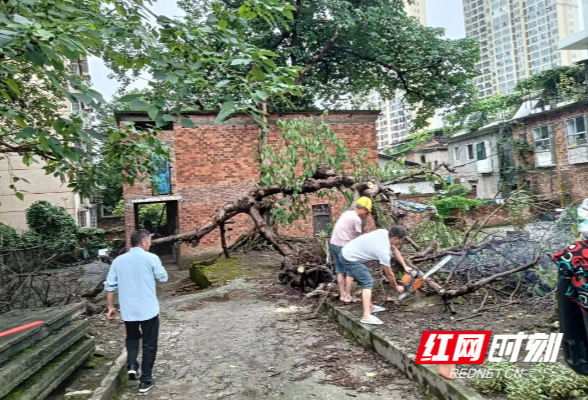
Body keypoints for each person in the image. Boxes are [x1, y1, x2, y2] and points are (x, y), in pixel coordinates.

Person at [104, 229, 168, 393]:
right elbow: (163, 278)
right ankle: (145, 381)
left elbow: (110, 286)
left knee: (132, 337)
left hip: (128, 310)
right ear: (144, 242)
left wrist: (110, 307)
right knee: (149, 344)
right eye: (149, 242)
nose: (150, 245)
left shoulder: (118, 261)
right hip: (148, 309)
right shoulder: (151, 258)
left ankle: (132, 364)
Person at [341, 226, 412, 325]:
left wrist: (405, 266)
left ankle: (370, 307)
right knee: (368, 282)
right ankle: (366, 316)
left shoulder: (384, 233)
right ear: (395, 238)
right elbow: (389, 274)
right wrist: (396, 287)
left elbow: (394, 249)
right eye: (401, 240)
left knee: (365, 278)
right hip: (349, 258)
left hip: (349, 251)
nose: (401, 243)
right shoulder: (383, 252)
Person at [329, 197, 372, 304]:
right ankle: (348, 296)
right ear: (362, 208)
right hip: (344, 247)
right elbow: (358, 238)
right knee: (350, 272)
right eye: (366, 211)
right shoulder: (356, 219)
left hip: (333, 244)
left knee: (340, 270)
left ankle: (342, 295)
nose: (366, 214)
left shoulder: (346, 213)